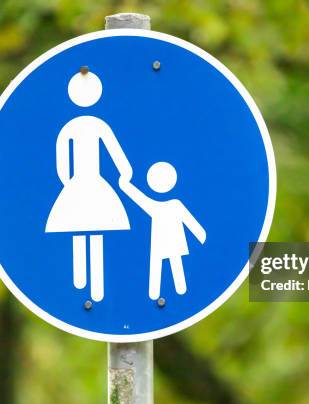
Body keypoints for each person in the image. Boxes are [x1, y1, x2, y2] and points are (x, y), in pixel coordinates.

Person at [46, 67, 132, 302]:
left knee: (84, 228)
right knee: (93, 229)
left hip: (79, 184)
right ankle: (88, 287)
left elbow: (62, 163)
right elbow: (117, 156)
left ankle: (87, 285)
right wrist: (125, 173)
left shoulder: (71, 128)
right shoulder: (95, 126)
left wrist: (68, 184)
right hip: (92, 184)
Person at [119, 161, 206, 300]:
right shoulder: (161, 206)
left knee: (171, 265)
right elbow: (139, 198)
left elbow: (189, 220)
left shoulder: (171, 205)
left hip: (171, 241)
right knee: (161, 265)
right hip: (162, 242)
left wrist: (200, 234)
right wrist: (125, 186)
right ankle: (156, 294)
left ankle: (177, 291)